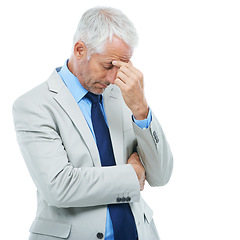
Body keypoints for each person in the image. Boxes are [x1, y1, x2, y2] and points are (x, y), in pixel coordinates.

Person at [12, 7, 173, 240]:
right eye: (108, 65)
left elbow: (161, 175)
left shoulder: (124, 94)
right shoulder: (34, 105)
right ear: (80, 50)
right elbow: (59, 187)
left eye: (121, 67)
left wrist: (141, 109)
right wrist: (132, 175)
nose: (113, 78)